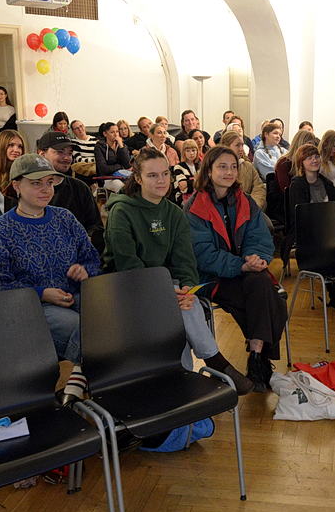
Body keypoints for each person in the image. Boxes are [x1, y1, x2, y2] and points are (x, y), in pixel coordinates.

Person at [103, 147, 254, 394]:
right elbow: (127, 263)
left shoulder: (173, 212)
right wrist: (165, 292)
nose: (161, 180)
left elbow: (185, 260)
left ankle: (182, 379)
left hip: (166, 285)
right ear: (138, 178)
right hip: (124, 286)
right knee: (179, 306)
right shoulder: (122, 211)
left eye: (165, 174)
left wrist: (187, 288)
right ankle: (214, 361)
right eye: (152, 175)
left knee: (185, 303)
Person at [0, 153, 99, 398]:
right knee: (83, 328)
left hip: (77, 296)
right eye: (36, 183)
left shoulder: (65, 218)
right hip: (31, 309)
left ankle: (80, 379)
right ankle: (96, 383)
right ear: (16, 186)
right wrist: (42, 293)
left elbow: (92, 258)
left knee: (110, 319)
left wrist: (85, 269)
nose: (45, 189)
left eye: (49, 183)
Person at [185, 146, 288, 392]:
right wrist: (241, 264)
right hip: (211, 277)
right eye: (222, 167)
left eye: (233, 167)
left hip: (246, 271)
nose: (229, 172)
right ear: (208, 171)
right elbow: (203, 255)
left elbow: (260, 237)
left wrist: (256, 258)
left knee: (261, 285)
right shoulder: (194, 207)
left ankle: (256, 353)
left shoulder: (244, 200)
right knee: (266, 297)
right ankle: (260, 360)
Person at [287, 144, 335, 264]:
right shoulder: (297, 185)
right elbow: (301, 217)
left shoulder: (326, 183)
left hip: (331, 230)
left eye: (316, 156)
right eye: (309, 158)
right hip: (309, 232)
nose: (314, 160)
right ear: (301, 162)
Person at [33, 131, 103, 246]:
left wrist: (87, 240)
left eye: (70, 153)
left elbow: (95, 226)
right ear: (42, 154)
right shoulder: (30, 191)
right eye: (60, 152)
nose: (67, 158)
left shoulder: (80, 188)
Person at [220, 130, 267, 212]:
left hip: (250, 209)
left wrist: (251, 206)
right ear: (226, 146)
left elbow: (259, 188)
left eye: (242, 145)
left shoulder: (248, 166)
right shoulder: (217, 168)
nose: (241, 149)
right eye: (237, 145)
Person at [94, 121, 132, 192]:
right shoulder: (99, 147)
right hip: (107, 179)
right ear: (105, 134)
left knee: (135, 184)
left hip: (123, 176)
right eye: (112, 132)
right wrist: (121, 166)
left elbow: (128, 165)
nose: (116, 134)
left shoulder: (122, 145)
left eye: (117, 132)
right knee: (120, 186)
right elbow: (104, 169)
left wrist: (121, 146)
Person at [172, 139, 200, 206]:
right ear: (183, 152)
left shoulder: (200, 166)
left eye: (193, 150)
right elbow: (183, 188)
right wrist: (198, 182)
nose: (191, 153)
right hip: (183, 200)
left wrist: (188, 182)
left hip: (198, 198)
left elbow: (206, 184)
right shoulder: (178, 167)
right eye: (188, 151)